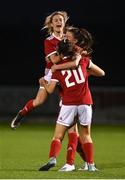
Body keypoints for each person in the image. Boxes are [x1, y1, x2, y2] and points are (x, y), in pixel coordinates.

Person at [10, 11, 87, 170]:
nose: (59, 22)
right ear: (51, 25)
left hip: (68, 75)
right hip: (53, 73)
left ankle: (77, 162)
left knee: (72, 125)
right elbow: (54, 61)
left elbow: (81, 52)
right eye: (55, 20)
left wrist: (77, 51)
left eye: (61, 19)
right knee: (39, 101)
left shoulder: (69, 37)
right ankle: (22, 113)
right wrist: (68, 52)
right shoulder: (49, 40)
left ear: (64, 22)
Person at [39, 29, 105, 172]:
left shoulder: (57, 69)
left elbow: (49, 90)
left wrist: (43, 82)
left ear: (60, 53)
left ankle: (55, 159)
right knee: (86, 135)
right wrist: (86, 73)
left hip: (68, 103)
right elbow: (101, 73)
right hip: (86, 102)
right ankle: (91, 165)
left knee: (58, 135)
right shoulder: (83, 60)